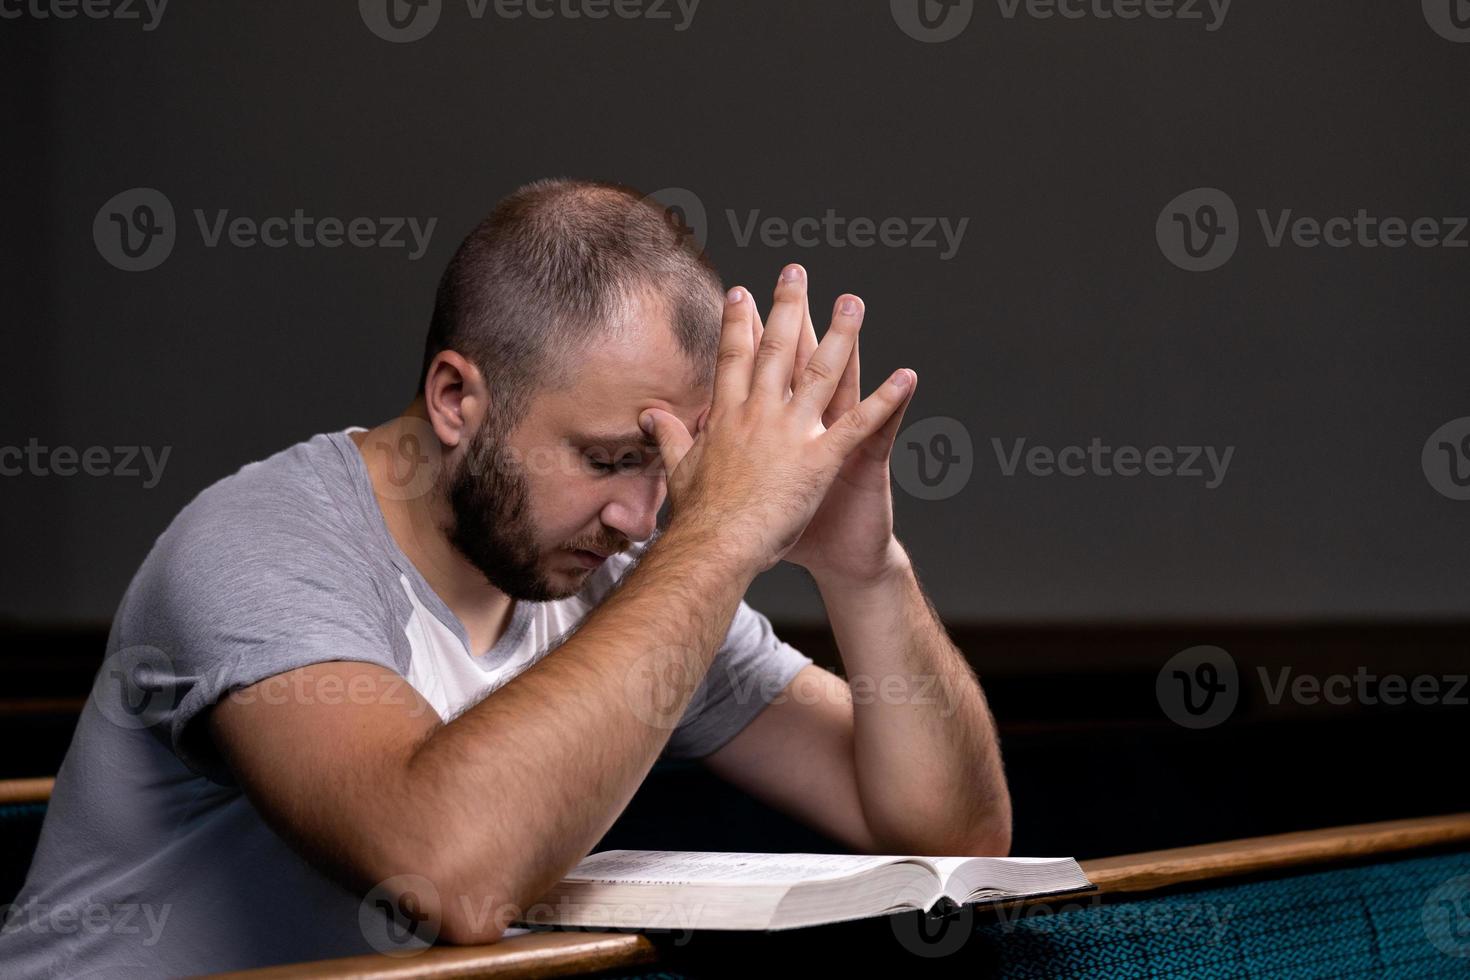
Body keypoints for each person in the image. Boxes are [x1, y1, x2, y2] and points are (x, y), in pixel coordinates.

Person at [0, 177, 1012, 976]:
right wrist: (727, 533)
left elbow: (947, 827)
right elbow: (444, 871)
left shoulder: (620, 575)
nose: (643, 515)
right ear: (454, 398)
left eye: (672, 464)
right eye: (610, 455)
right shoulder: (257, 544)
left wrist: (865, 568)